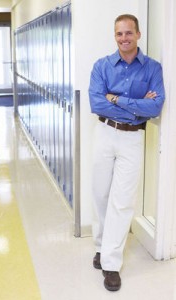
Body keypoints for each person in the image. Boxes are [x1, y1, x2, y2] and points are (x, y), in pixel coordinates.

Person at [88, 14, 165, 292]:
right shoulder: (102, 66)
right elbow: (97, 103)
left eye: (128, 33)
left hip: (133, 138)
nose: (124, 38)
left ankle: (110, 264)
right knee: (100, 194)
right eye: (119, 34)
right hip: (104, 134)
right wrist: (136, 104)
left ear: (138, 34)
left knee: (122, 202)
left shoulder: (153, 69)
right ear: (115, 36)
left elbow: (155, 108)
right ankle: (100, 246)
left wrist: (117, 98)